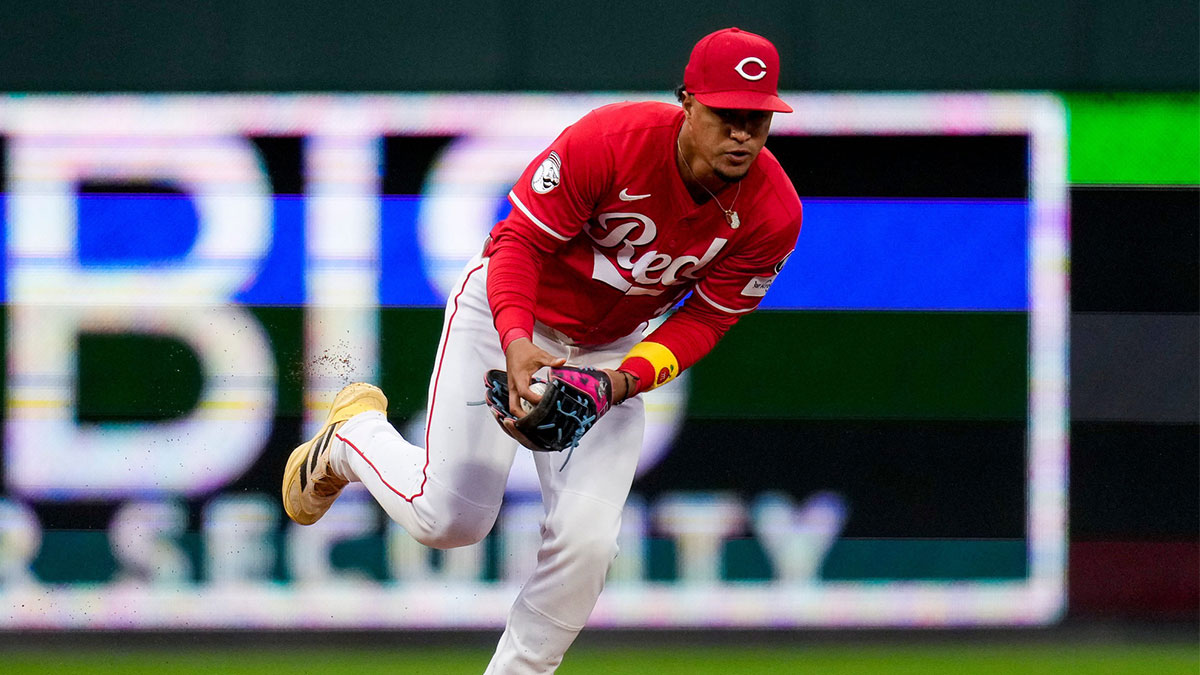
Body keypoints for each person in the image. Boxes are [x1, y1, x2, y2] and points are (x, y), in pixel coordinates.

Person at [282, 26, 802, 674]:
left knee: (588, 543)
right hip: (508, 316)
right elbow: (518, 244)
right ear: (688, 102)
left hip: (610, 349)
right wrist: (517, 340)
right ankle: (351, 436)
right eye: (727, 114)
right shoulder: (610, 141)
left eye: (758, 118)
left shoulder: (772, 213)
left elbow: (704, 321)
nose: (742, 133)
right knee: (450, 520)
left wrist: (616, 382)